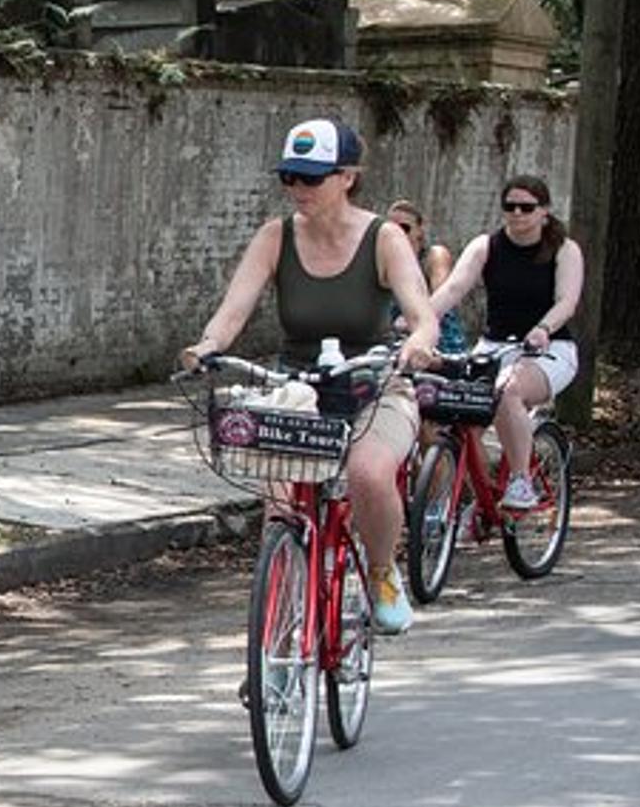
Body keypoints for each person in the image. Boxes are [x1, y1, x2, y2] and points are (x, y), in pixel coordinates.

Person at [177, 118, 438, 634]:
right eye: (290, 178)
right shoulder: (275, 237)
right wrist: (208, 346)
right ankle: (278, 626)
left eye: (312, 178)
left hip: (373, 380)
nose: (298, 190)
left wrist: (419, 342)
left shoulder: (384, 238)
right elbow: (234, 310)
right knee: (279, 501)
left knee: (367, 473)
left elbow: (421, 311)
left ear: (347, 177)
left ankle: (383, 574)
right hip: (297, 387)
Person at [427, 175, 585, 509]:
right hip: (494, 346)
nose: (517, 214)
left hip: (549, 348)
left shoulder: (564, 250)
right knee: (455, 406)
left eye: (526, 207)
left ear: (544, 211)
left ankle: (521, 481)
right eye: (510, 207)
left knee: (508, 389)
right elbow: (454, 289)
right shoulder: (486, 246)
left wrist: (543, 328)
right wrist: (421, 320)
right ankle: (477, 498)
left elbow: (566, 301)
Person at [387, 199, 468, 355]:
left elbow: (443, 293)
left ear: (419, 230)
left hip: (438, 337)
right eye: (392, 229)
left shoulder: (434, 256)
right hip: (395, 340)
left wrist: (412, 318)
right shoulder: (385, 261)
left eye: (404, 228)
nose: (397, 234)